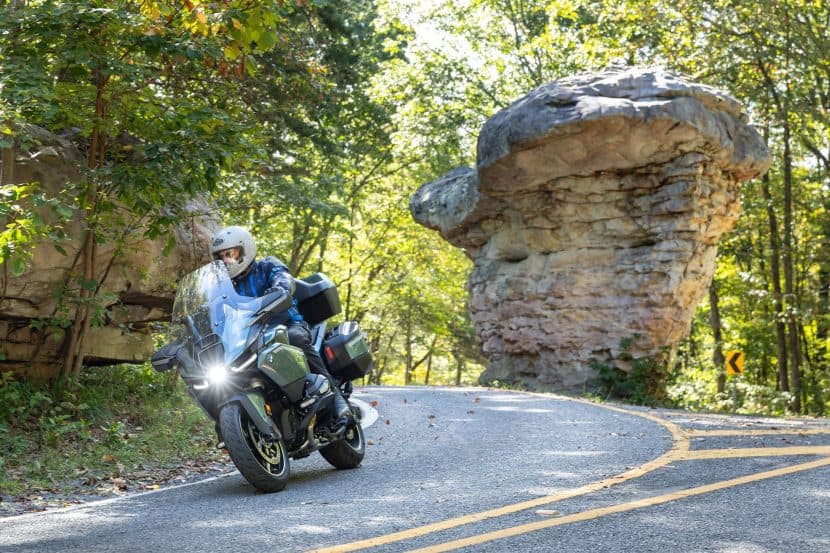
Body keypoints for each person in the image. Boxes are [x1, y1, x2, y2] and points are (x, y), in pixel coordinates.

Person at [211, 225, 351, 433]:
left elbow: (284, 280)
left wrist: (280, 287)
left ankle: (337, 400)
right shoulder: (222, 288)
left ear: (244, 250)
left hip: (286, 324)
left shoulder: (268, 266)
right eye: (221, 257)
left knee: (295, 338)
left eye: (230, 254)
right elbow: (212, 311)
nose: (226, 261)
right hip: (248, 337)